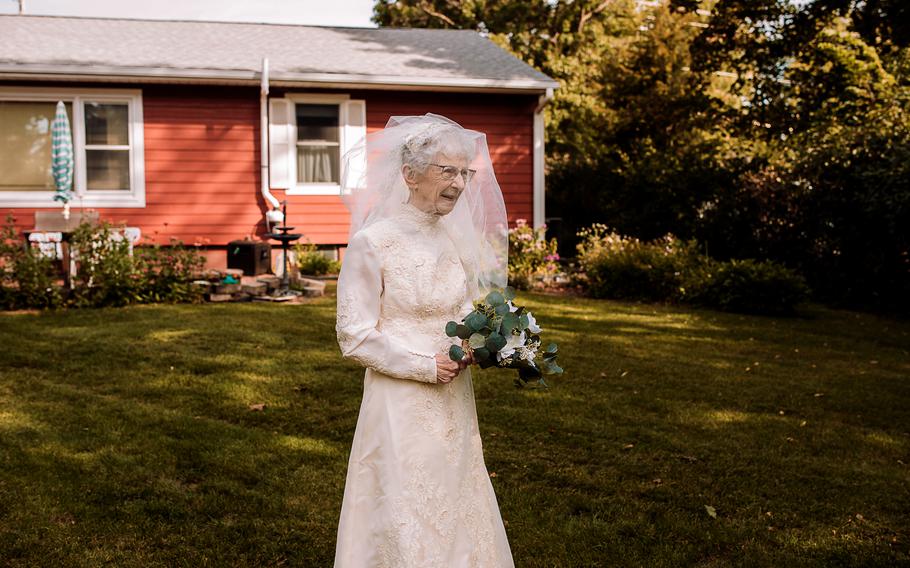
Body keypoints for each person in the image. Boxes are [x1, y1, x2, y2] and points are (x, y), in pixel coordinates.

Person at [333, 113, 514, 567]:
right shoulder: (373, 243)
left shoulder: (455, 242)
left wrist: (486, 340)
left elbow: (466, 310)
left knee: (457, 489)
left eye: (464, 172)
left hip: (454, 396)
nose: (458, 184)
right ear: (410, 175)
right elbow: (353, 336)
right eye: (446, 170)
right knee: (404, 499)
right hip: (401, 398)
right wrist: (424, 365)